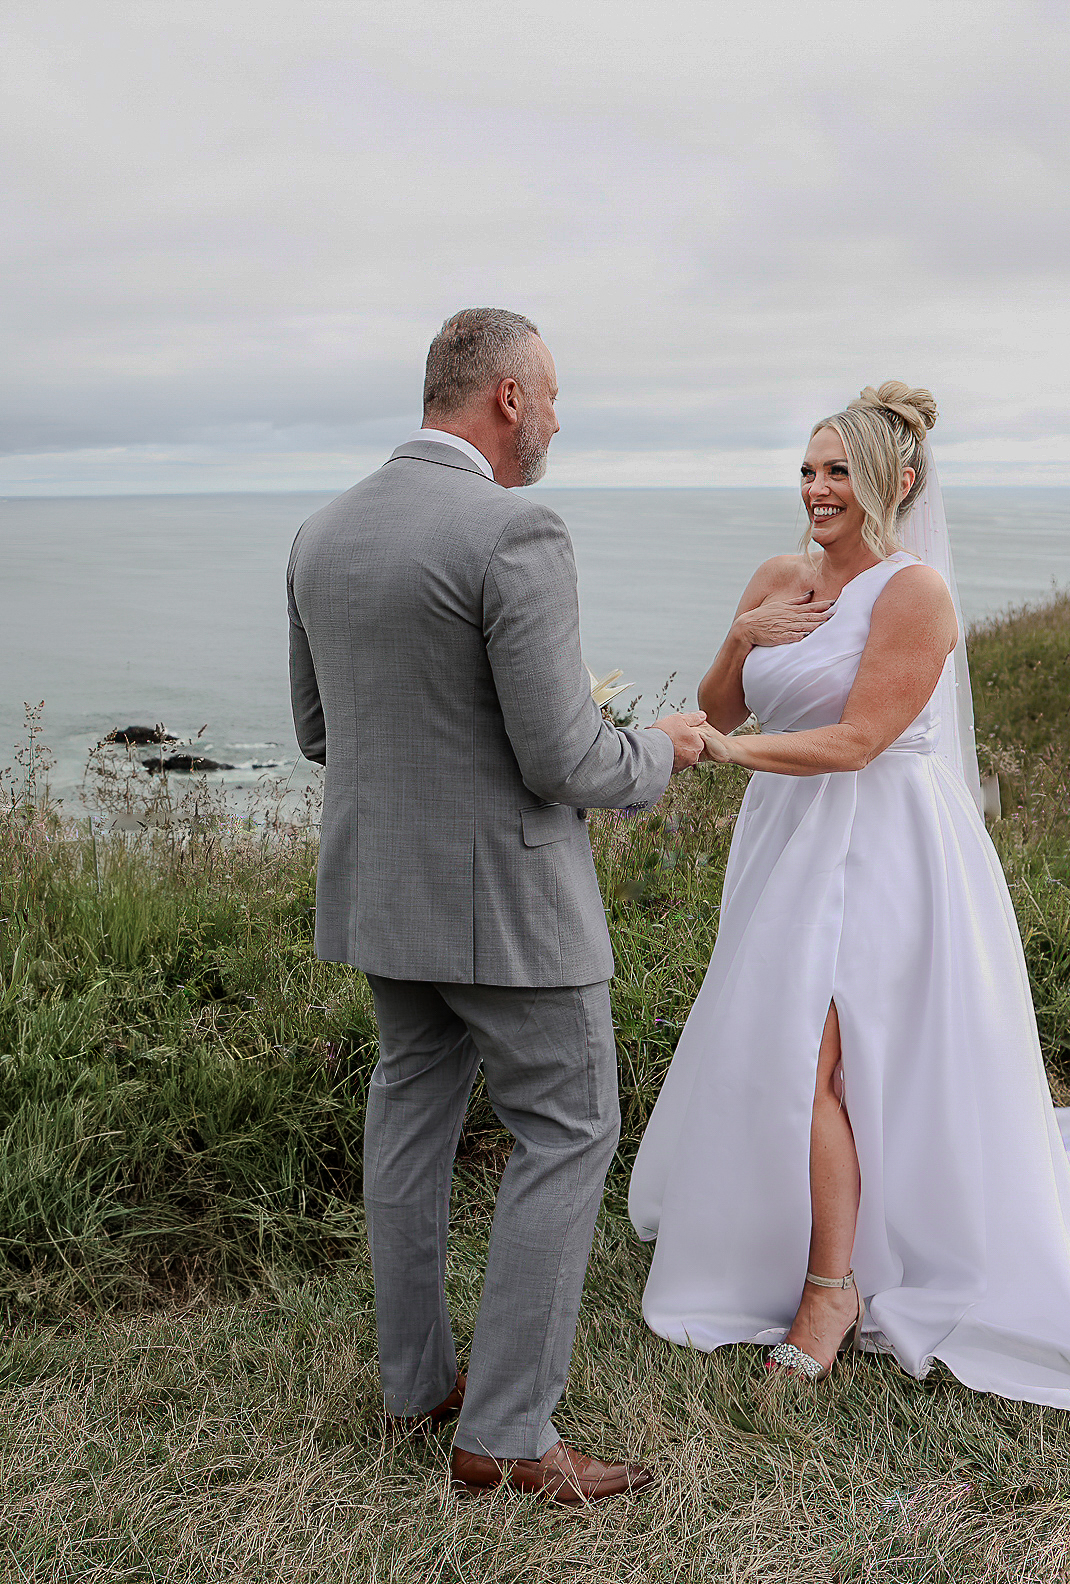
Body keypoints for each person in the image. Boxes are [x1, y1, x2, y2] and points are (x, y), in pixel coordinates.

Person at [628, 383, 1070, 1439]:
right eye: (810, 470)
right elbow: (725, 697)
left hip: (883, 847)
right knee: (782, 1048)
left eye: (840, 471)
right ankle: (804, 1242)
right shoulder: (779, 578)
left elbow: (859, 739)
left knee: (826, 1053)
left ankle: (834, 1288)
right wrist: (741, 635)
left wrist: (726, 752)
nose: (818, 489)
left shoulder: (917, 596)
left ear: (897, 482)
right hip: (787, 842)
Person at [286, 308, 708, 1506]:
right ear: (508, 399)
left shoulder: (321, 533)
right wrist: (661, 749)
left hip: (382, 895)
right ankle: (508, 1435)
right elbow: (565, 759)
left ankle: (417, 1385)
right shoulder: (516, 528)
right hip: (514, 911)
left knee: (409, 1117)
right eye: (556, 397)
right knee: (571, 1128)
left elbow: (322, 735)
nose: (562, 421)